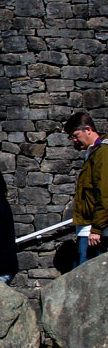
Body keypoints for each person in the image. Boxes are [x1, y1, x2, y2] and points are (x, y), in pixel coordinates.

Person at [64, 111, 108, 265]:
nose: (74, 140)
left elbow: (105, 193)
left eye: (76, 135)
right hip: (89, 228)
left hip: (95, 230)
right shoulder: (93, 152)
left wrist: (97, 229)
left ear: (88, 129)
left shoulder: (103, 153)